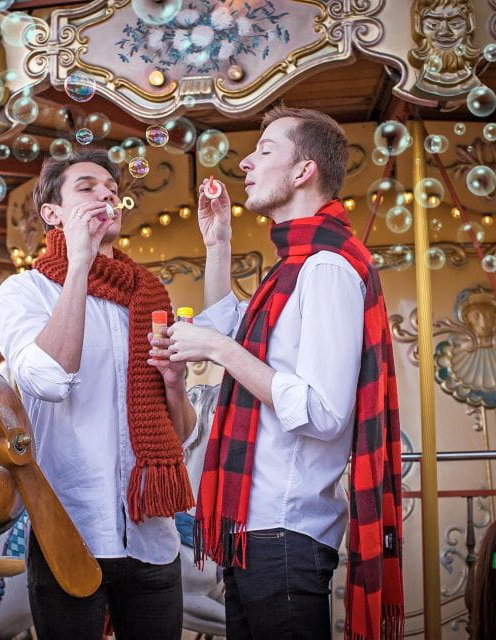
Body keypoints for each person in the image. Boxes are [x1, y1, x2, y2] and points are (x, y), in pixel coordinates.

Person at [164, 106, 404, 640]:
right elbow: (241, 331)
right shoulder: (295, 263)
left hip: (284, 532)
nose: (245, 162)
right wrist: (218, 244)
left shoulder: (324, 268)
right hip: (260, 530)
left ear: (303, 172)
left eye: (266, 150)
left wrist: (220, 350)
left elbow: (320, 412)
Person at [0, 148, 197, 640]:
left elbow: (183, 433)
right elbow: (47, 379)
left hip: (151, 534)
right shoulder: (25, 292)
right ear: (52, 215)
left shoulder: (148, 298)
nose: (106, 193)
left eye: (111, 187)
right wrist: (79, 265)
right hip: (70, 527)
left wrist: (173, 386)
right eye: (86, 186)